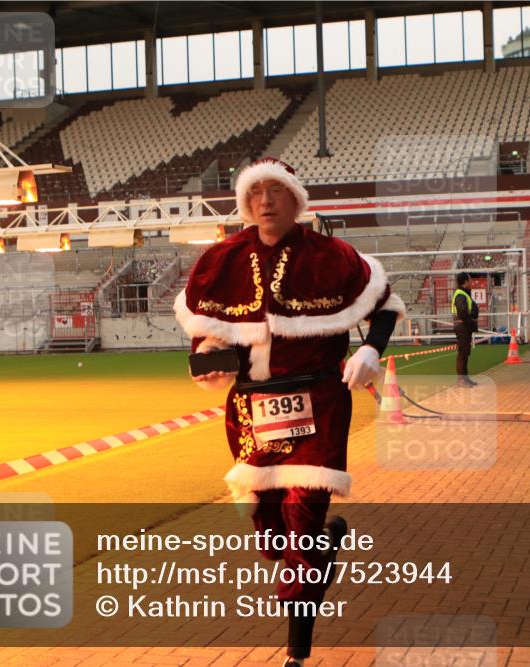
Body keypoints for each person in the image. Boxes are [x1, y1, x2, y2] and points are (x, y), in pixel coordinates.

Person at [174, 157, 405, 667]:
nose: (265, 202)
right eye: (255, 193)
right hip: (251, 411)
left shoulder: (332, 256)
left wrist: (370, 351)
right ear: (244, 202)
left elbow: (385, 302)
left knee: (301, 523)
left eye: (276, 191)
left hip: (318, 404)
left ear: (296, 199)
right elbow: (206, 326)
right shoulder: (222, 259)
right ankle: (327, 542)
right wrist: (207, 359)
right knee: (271, 530)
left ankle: (296, 654)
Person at [451, 272, 479, 387]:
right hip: (463, 326)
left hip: (464, 326)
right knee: (463, 353)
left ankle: (465, 379)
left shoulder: (463, 294)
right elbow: (462, 313)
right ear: (465, 282)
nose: (472, 282)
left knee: (465, 353)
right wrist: (471, 323)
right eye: (470, 280)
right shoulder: (460, 295)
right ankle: (461, 380)